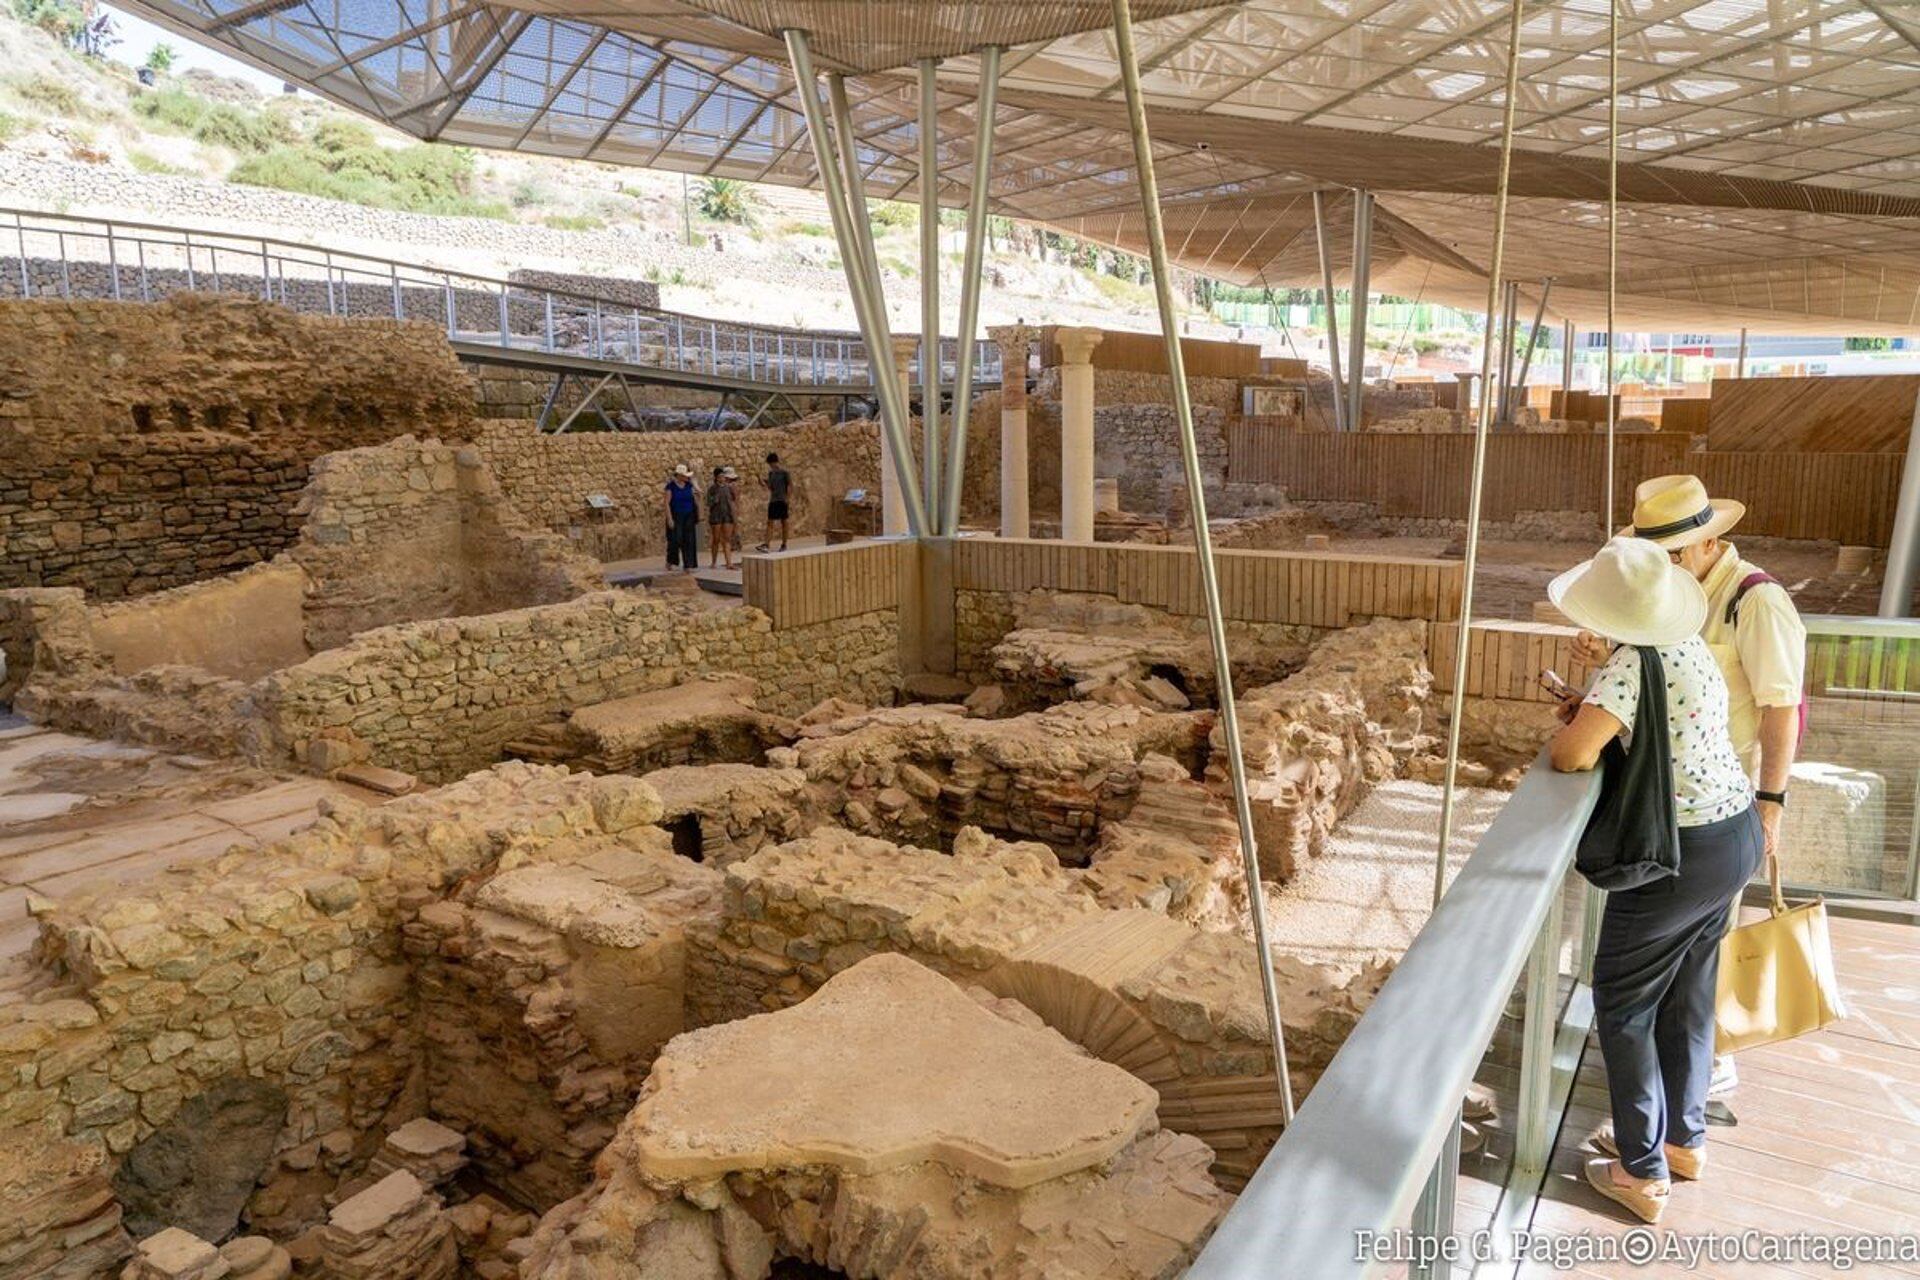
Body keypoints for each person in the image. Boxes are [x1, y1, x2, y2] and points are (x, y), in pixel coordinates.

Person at [1570, 474, 1807, 1104]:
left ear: (1709, 542)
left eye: (1673, 554)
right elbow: (1660, 696)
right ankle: (1684, 1117)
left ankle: (1658, 1142)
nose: (1663, 565)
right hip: (1696, 806)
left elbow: (1782, 708)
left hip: (1711, 809)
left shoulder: (1755, 601)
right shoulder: (1668, 605)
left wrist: (1772, 801)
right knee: (1687, 974)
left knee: (1637, 989)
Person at [1548, 537, 1761, 1225]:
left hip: (1681, 856)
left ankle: (1640, 1172)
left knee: (1624, 1002)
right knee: (1688, 997)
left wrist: (1581, 715)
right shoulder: (1683, 645)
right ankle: (1682, 1140)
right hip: (1735, 834)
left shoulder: (1629, 668)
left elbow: (1573, 756)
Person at [664, 463, 699, 573]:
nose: (686, 477)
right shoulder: (671, 487)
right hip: (676, 515)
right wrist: (669, 518)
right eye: (684, 475)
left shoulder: (689, 485)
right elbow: (666, 503)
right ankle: (671, 561)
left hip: (688, 515)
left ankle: (688, 564)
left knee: (688, 540)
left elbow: (697, 498)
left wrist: (695, 486)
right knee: (675, 539)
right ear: (679, 475)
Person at [756, 451, 791, 553]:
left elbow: (789, 485)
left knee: (784, 522)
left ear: (775, 462)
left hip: (782, 500)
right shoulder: (771, 474)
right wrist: (760, 481)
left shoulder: (784, 473)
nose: (771, 466)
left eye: (771, 463)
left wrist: (788, 498)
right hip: (773, 500)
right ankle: (766, 544)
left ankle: (784, 544)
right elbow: (770, 487)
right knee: (770, 522)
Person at [708, 466, 739, 570]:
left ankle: (729, 563)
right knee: (716, 539)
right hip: (716, 516)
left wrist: (734, 516)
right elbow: (709, 502)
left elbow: (733, 500)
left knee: (727, 539)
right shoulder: (712, 489)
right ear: (716, 477)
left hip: (727, 515)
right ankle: (713, 562)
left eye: (723, 476)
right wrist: (714, 500)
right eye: (720, 476)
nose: (722, 478)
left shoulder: (729, 488)